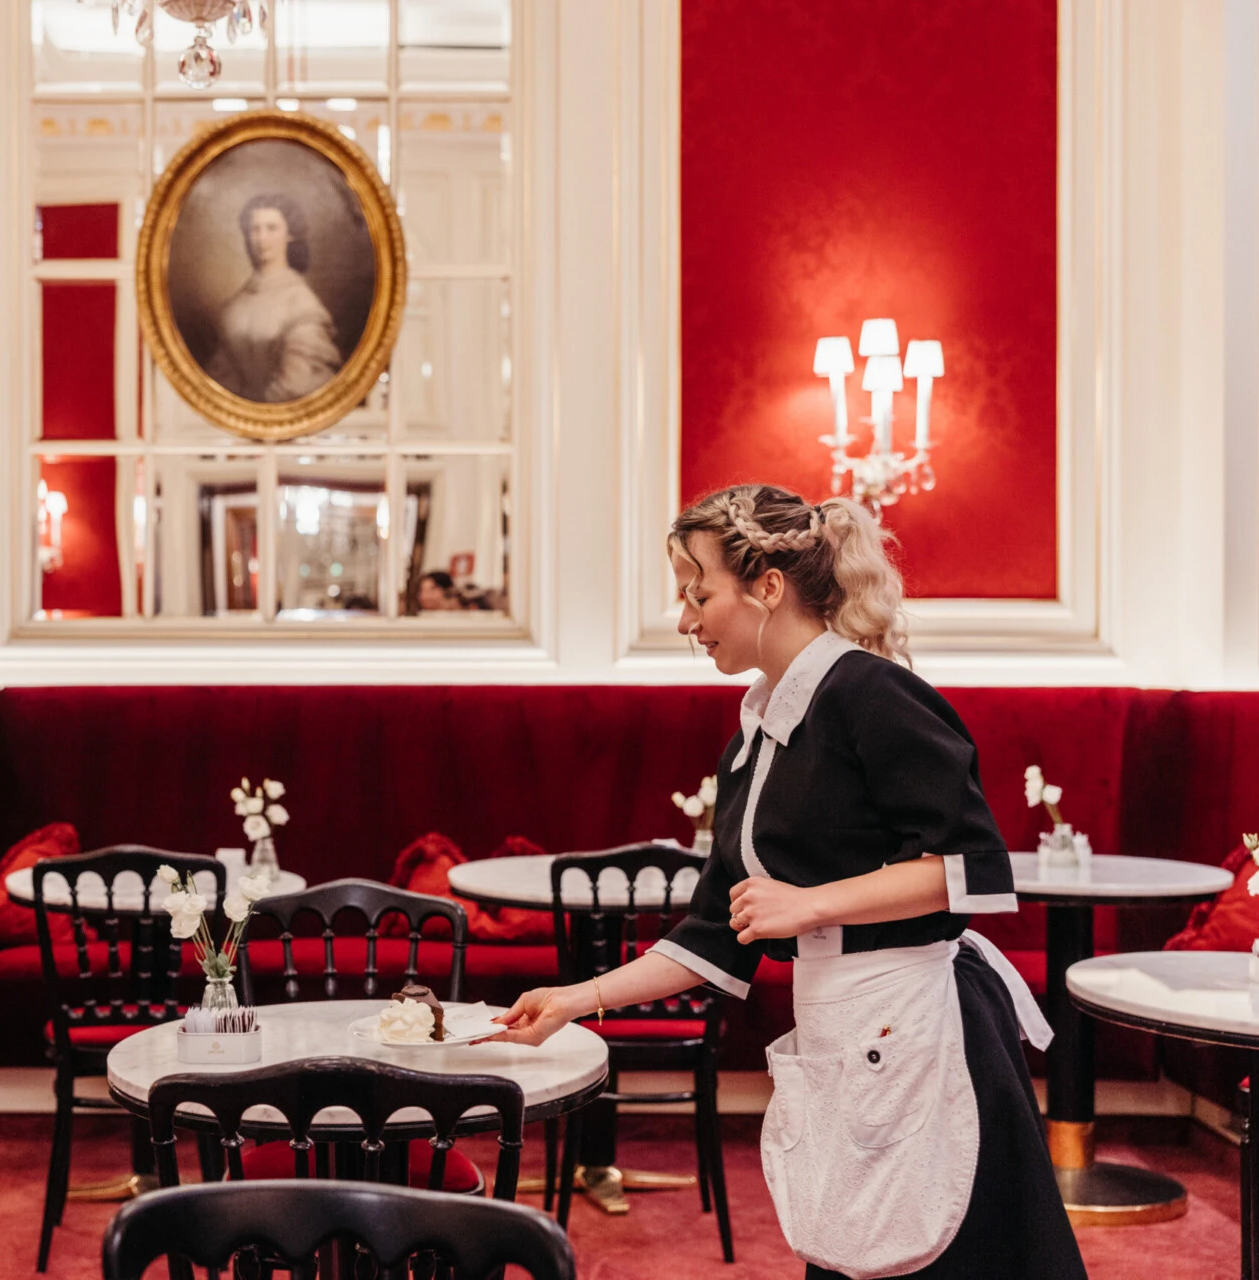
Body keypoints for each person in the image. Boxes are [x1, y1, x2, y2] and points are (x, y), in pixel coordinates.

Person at [489, 484, 1086, 1280]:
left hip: (926, 1034)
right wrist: (572, 1000)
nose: (686, 619)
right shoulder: (756, 735)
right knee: (854, 1249)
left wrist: (809, 904)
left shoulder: (872, 694)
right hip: (845, 1034)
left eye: (698, 593)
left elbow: (973, 867)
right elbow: (714, 937)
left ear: (767, 587)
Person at [204, 193, 342, 403]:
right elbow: (221, 380)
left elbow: (298, 384)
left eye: (271, 228)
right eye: (255, 229)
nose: (262, 238)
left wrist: (256, 414)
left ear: (290, 234)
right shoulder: (233, 307)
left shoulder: (301, 303)